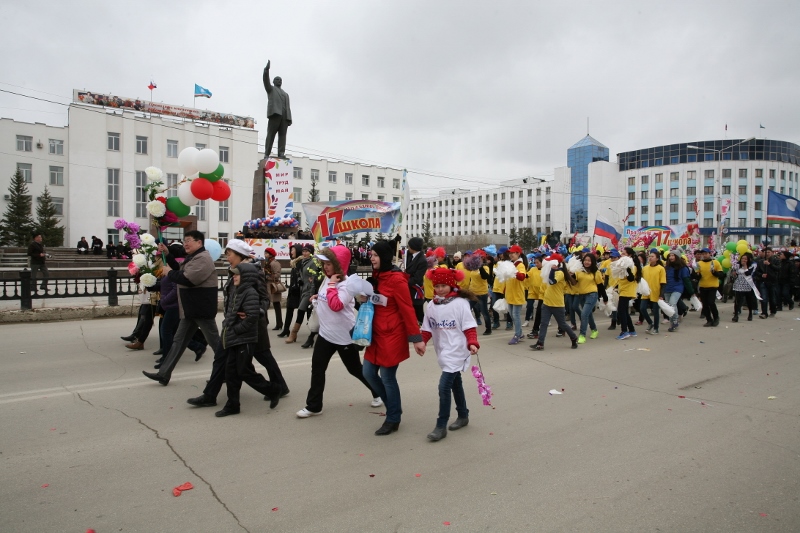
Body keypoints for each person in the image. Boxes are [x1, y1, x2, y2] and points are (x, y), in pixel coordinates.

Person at [186, 239, 288, 408]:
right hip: (232, 324)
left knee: (263, 357)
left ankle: (279, 387)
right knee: (221, 358)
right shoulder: (234, 271)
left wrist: (255, 312)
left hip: (252, 325)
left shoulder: (253, 272)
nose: (227, 257)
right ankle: (210, 395)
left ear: (240, 255)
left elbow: (264, 298)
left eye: (229, 254)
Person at [296, 245, 381, 418]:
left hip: (344, 337)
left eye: (329, 263)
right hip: (325, 335)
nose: (325, 267)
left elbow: (336, 305)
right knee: (317, 368)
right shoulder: (328, 279)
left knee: (355, 369)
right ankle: (314, 406)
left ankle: (379, 392)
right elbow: (327, 297)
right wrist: (318, 297)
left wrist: (332, 285)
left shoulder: (347, 284)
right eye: (324, 263)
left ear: (339, 264)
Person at [361, 240, 425, 436]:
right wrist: (363, 297)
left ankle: (393, 418)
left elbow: (407, 309)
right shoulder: (377, 276)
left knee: (388, 377)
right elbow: (375, 302)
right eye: (371, 255)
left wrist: (416, 338)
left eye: (375, 255)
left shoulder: (397, 280)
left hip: (392, 334)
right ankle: (394, 407)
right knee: (368, 373)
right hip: (375, 334)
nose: (372, 258)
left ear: (384, 257)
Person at [142, 231, 221, 386]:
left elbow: (187, 279)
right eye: (184, 241)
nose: (185, 244)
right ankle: (164, 374)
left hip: (201, 309)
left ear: (199, 242)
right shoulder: (194, 257)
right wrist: (168, 254)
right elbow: (180, 269)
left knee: (216, 344)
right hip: (190, 308)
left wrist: (170, 273)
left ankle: (228, 371)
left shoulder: (203, 258)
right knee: (178, 342)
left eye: (189, 240)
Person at [420, 267, 479, 442]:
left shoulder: (460, 304)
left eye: (443, 286)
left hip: (458, 350)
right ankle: (463, 415)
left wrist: (472, 342)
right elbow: (427, 327)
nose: (440, 289)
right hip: (443, 350)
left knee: (444, 386)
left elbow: (469, 326)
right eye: (437, 286)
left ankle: (441, 426)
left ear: (451, 285)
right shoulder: (432, 305)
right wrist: (422, 341)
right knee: (455, 383)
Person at [214, 262, 280, 417]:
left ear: (246, 276)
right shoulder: (237, 291)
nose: (234, 277)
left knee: (244, 371)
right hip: (234, 337)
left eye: (237, 274)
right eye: (233, 274)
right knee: (231, 373)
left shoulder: (250, 293)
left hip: (245, 338)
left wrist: (236, 329)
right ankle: (232, 405)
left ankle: (272, 389)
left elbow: (251, 318)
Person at [530, 253, 578, 350]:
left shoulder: (560, 273)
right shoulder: (550, 271)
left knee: (563, 324)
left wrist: (552, 270)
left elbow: (552, 282)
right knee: (543, 324)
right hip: (547, 302)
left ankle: (573, 337)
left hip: (557, 304)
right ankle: (540, 343)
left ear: (555, 263)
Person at [286, 244, 316, 344]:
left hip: (309, 290)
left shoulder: (313, 262)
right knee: (309, 313)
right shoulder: (302, 262)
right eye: (303, 251)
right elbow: (300, 274)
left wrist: (311, 292)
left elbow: (314, 277)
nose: (305, 253)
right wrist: (299, 280)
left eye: (307, 251)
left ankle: (293, 333)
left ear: (311, 252)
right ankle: (312, 335)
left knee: (301, 310)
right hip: (302, 290)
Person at [262, 60, 292, 159]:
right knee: (271, 134)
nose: (279, 81)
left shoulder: (286, 94)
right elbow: (266, 81)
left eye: (280, 80)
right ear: (273, 82)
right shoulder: (271, 89)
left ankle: (281, 153)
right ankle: (267, 153)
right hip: (275, 114)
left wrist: (289, 118)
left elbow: (288, 107)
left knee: (283, 136)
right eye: (277, 79)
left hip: (284, 117)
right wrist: (266, 70)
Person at [610, 247, 642, 340]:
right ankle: (632, 330)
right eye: (622, 253)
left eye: (624, 253)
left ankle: (624, 331)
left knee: (621, 311)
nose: (622, 255)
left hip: (627, 291)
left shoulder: (632, 266)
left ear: (630, 255)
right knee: (624, 311)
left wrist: (627, 269)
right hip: (623, 290)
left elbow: (631, 278)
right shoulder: (624, 265)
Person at [575, 252, 603, 343]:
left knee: (584, 314)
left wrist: (605, 297)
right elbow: (574, 282)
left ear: (592, 262)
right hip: (581, 295)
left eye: (589, 260)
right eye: (585, 260)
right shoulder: (579, 271)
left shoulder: (596, 272)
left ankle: (582, 335)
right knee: (588, 314)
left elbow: (600, 285)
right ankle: (594, 330)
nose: (587, 262)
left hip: (592, 294)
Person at [278, 244, 304, 338]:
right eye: (291, 250)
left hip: (299, 290)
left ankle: (296, 331)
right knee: (289, 308)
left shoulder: (301, 262)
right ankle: (286, 329)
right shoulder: (294, 262)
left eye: (293, 250)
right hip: (293, 290)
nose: (291, 252)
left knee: (302, 311)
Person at [694, 248, 723, 327]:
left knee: (711, 302)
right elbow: (696, 275)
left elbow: (721, 274)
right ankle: (709, 320)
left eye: (706, 253)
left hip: (713, 286)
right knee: (705, 304)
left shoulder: (715, 262)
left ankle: (716, 318)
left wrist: (715, 273)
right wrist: (697, 275)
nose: (704, 255)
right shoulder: (698, 264)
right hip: (703, 286)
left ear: (710, 254)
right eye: (703, 254)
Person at [505, 245, 527, 345]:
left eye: (512, 253)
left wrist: (514, 271)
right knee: (512, 315)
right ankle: (520, 333)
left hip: (517, 294)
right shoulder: (511, 264)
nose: (510, 255)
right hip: (510, 294)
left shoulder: (520, 265)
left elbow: (522, 277)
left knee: (516, 315)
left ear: (518, 254)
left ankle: (517, 335)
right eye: (509, 253)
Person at [663, 250, 691, 332]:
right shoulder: (667, 267)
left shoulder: (683, 268)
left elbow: (686, 280)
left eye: (673, 255)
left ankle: (675, 321)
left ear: (677, 257)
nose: (671, 257)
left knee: (672, 303)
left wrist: (692, 292)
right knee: (669, 307)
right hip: (667, 288)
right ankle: (672, 324)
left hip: (677, 288)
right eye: (670, 256)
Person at [640, 250, 667, 335]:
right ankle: (650, 322)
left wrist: (661, 294)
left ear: (657, 258)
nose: (650, 258)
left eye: (652, 256)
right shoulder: (645, 268)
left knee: (655, 311)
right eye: (649, 256)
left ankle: (656, 328)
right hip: (645, 291)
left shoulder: (661, 269)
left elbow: (663, 283)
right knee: (642, 308)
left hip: (656, 292)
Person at [405, 237, 428, 324]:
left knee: (418, 312)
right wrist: (396, 241)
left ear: (413, 247)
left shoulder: (422, 261)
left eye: (409, 246)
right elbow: (397, 252)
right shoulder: (409, 254)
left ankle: (422, 326)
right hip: (407, 288)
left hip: (415, 290)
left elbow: (417, 278)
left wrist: (403, 283)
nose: (408, 247)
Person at [731, 252, 758, 322]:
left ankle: (750, 314)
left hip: (748, 285)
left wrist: (745, 266)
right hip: (739, 284)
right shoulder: (737, 265)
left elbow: (748, 273)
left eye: (746, 259)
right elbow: (735, 273)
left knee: (749, 300)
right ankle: (736, 315)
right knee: (737, 300)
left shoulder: (752, 266)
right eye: (743, 258)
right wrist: (734, 273)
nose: (744, 260)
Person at [264, 247, 284, 332]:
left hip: (273, 286)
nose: (265, 255)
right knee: (265, 304)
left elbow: (277, 275)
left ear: (271, 254)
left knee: (276, 305)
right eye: (265, 253)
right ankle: (265, 322)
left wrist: (268, 277)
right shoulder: (267, 262)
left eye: (266, 253)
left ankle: (279, 323)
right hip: (267, 286)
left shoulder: (275, 263)